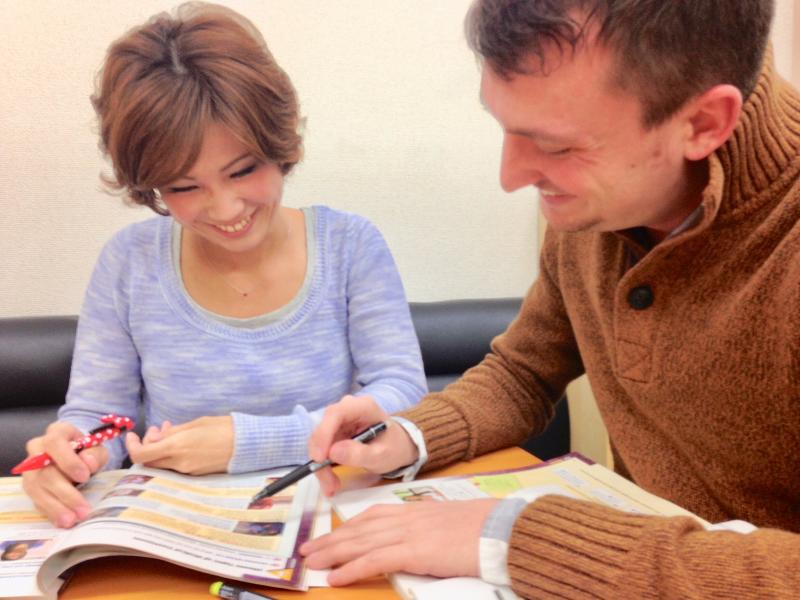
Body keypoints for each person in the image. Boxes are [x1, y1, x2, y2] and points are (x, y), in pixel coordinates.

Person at [300, 0, 800, 597]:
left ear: (702, 124)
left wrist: (522, 541)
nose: (511, 177)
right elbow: (525, 371)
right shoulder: (601, 204)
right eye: (506, 127)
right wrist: (408, 436)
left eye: (558, 147)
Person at [21, 2, 426, 530]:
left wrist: (250, 441)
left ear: (280, 143)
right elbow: (102, 416)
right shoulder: (129, 262)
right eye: (184, 187)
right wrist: (78, 452)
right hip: (174, 532)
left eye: (242, 170)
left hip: (331, 521)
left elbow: (404, 397)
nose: (225, 209)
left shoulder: (350, 246)